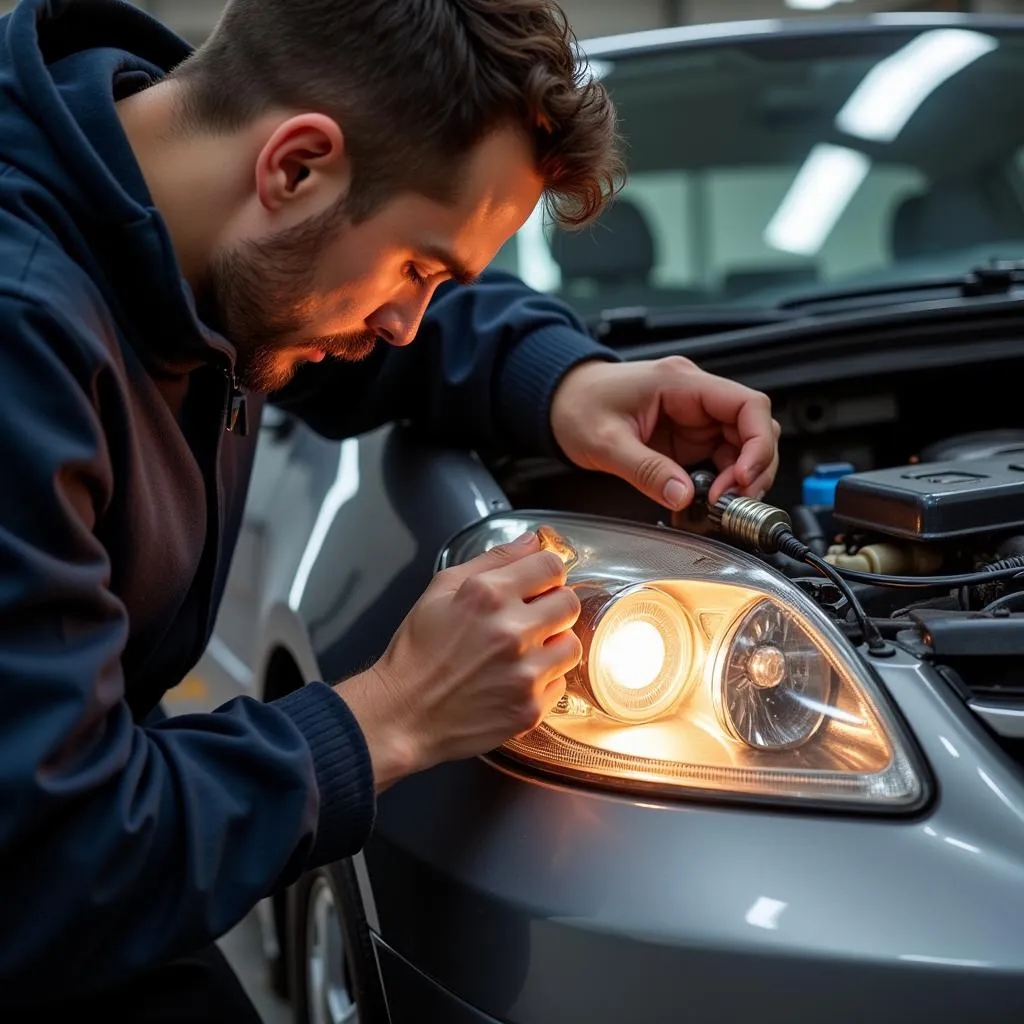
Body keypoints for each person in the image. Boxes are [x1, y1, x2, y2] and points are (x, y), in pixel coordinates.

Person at [0, 0, 780, 1017]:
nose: (406, 321)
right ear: (295, 166)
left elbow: (368, 303)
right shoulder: (24, 337)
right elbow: (50, 869)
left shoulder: (181, 230)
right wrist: (391, 711)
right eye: (417, 267)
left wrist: (562, 384)